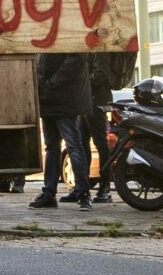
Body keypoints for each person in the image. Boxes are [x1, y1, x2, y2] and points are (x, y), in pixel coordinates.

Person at [30, 53, 92, 211]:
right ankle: (52, 193)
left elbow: (77, 58)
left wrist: (51, 82)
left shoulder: (68, 38)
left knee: (71, 146)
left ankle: (82, 192)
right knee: (55, 147)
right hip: (51, 96)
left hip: (63, 96)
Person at [78, 52, 115, 203]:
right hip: (86, 101)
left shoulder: (100, 52)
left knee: (100, 144)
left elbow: (100, 74)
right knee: (81, 143)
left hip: (95, 102)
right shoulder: (89, 51)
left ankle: (105, 187)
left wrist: (80, 81)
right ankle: (83, 187)